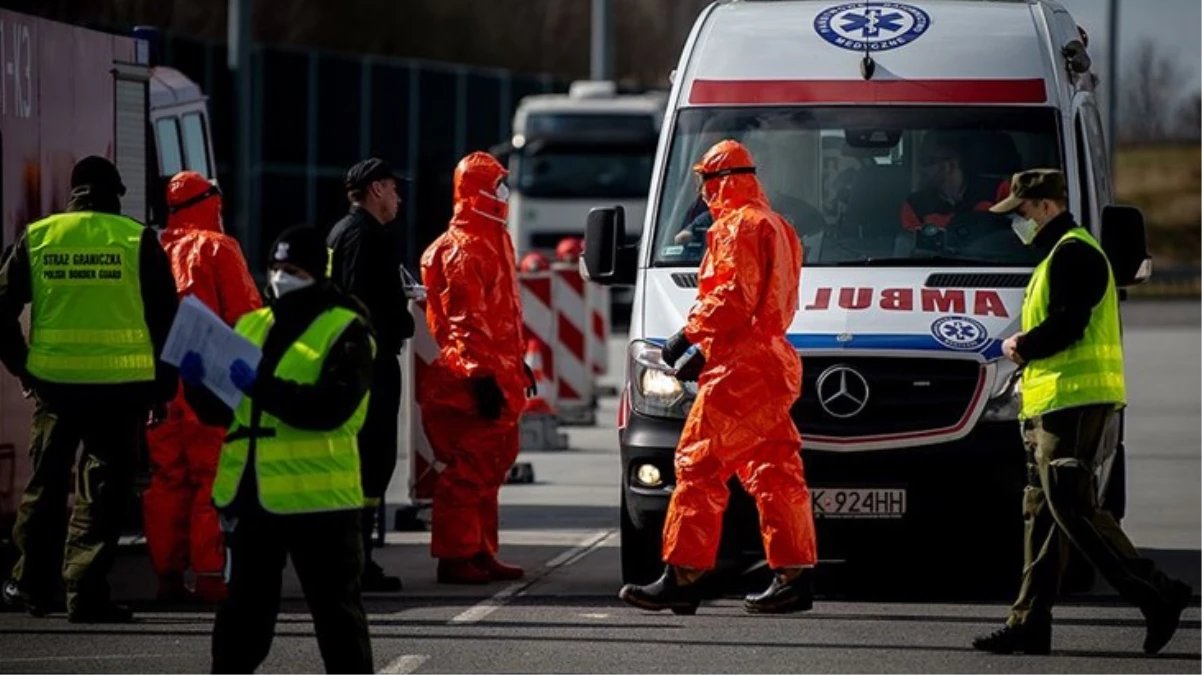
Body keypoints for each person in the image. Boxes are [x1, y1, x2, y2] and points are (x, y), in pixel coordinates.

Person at [972, 169, 1193, 656]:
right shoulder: (1057, 254)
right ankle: (1029, 623)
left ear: (1046, 206)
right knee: (1043, 515)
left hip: (1073, 402)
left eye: (1022, 211)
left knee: (1072, 507)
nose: (1018, 222)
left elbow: (1069, 323)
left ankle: (1158, 594)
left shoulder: (1074, 252)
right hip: (1051, 402)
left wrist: (1021, 346)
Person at [618, 140, 816, 615]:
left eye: (704, 181)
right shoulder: (777, 224)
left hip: (740, 369)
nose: (702, 192)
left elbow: (732, 295)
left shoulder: (736, 225)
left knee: (698, 465)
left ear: (720, 181)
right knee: (776, 470)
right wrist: (706, 349)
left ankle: (684, 577)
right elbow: (763, 303)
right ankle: (793, 577)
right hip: (769, 361)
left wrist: (687, 335)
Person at [0, 156, 179, 622]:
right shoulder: (136, 239)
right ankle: (85, 592)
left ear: (74, 193)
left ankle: (30, 586)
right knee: (102, 492)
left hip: (54, 388)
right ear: (116, 194)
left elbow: (0, 310)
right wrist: (162, 390)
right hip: (121, 390)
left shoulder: (40, 236)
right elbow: (167, 321)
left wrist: (23, 367)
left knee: (45, 487)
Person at [190, 225, 375, 674]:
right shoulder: (253, 324)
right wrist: (197, 385)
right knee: (242, 617)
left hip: (320, 501)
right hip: (251, 496)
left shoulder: (346, 328)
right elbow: (225, 412)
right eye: (274, 267)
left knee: (337, 617)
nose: (280, 277)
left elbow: (329, 409)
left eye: (292, 269)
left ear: (316, 273)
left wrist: (262, 387)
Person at [143, 171, 262, 605]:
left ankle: (168, 577)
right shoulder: (219, 247)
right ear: (211, 201)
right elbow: (248, 318)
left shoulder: (152, 248)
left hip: (160, 385)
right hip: (206, 384)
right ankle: (211, 576)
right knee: (212, 478)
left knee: (167, 480)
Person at [418, 151, 534, 584]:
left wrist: (516, 363)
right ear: (479, 190)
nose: (505, 191)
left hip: (498, 373)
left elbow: (502, 315)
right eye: (497, 183)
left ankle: (480, 549)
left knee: (491, 466)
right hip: (470, 379)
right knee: (468, 470)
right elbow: (464, 322)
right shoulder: (462, 248)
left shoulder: (493, 238)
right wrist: (481, 377)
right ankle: (455, 555)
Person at [326, 157, 414, 593]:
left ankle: (356, 558)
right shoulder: (366, 235)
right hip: (369, 364)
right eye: (394, 189)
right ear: (377, 189)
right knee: (371, 460)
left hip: (358, 361)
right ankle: (355, 561)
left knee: (366, 462)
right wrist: (401, 320)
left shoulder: (343, 231)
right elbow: (360, 300)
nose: (399, 198)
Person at [900, 133, 1007, 232]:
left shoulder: (998, 191)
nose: (920, 169)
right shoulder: (914, 206)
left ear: (951, 165)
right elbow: (911, 244)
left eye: (927, 162)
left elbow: (1014, 234)